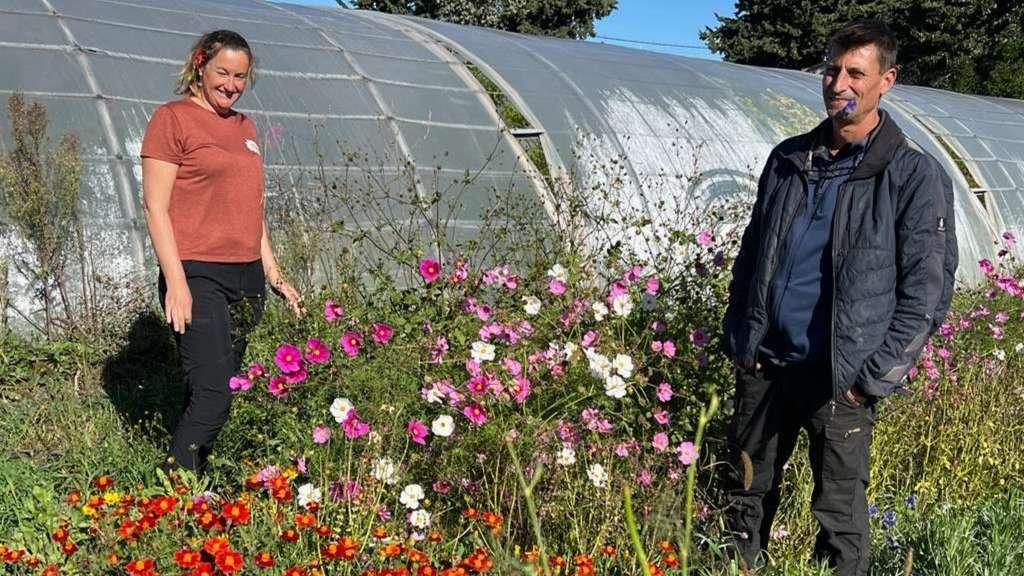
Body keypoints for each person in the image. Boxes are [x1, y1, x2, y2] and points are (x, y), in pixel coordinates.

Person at [721, 19, 957, 575]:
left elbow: (926, 292)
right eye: (831, 69)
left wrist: (866, 382)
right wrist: (742, 336)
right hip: (767, 365)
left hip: (838, 376)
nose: (839, 83)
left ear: (886, 81)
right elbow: (752, 253)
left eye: (856, 72)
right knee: (744, 501)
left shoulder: (911, 175)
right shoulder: (789, 160)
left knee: (839, 519)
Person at [141, 30, 301, 472]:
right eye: (223, 73)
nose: (231, 84)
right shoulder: (172, 119)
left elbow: (252, 207)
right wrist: (176, 282)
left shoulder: (245, 126)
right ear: (200, 64)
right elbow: (156, 207)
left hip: (247, 276)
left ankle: (197, 469)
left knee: (214, 384)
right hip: (198, 273)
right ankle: (175, 484)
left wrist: (274, 273)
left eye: (241, 77)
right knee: (215, 391)